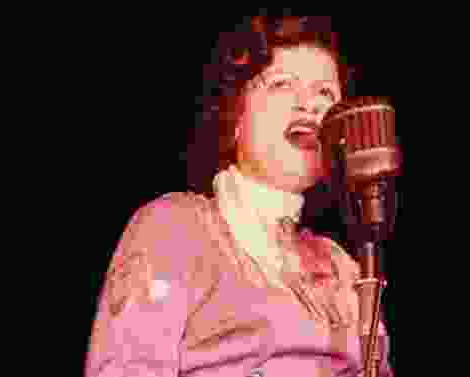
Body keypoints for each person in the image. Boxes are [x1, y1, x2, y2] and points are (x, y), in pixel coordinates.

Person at [85, 15, 393, 377]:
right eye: (282, 84)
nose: (308, 105)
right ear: (235, 118)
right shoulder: (175, 229)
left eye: (325, 93)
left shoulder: (343, 268)